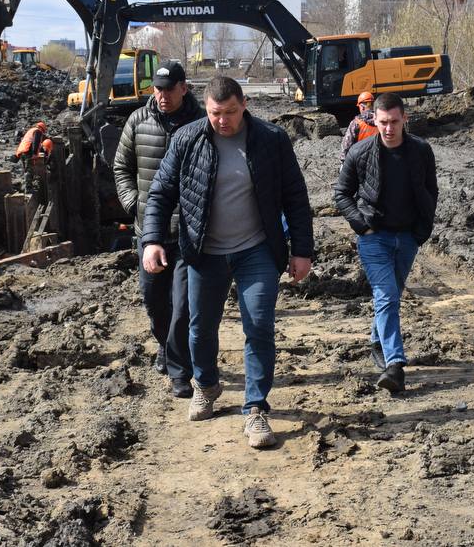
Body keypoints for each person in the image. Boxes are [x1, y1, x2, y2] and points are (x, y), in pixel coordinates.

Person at [141, 75, 313, 449]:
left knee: (259, 326)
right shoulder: (187, 139)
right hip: (205, 251)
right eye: (216, 113)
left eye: (230, 112)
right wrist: (152, 240)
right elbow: (160, 193)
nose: (223, 121)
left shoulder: (271, 139)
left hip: (257, 250)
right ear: (206, 109)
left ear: (244, 105)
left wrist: (302, 250)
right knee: (200, 327)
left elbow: (295, 196)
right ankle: (206, 385)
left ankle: (256, 409)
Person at [333, 92, 438, 394]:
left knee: (390, 297)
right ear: (374, 121)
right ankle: (395, 365)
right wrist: (362, 226)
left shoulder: (421, 151)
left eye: (394, 122)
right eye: (383, 122)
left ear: (405, 118)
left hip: (407, 237)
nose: (389, 128)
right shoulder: (360, 152)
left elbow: (431, 190)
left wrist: (421, 230)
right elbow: (341, 193)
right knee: (387, 296)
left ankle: (378, 342)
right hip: (373, 237)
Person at [112, 62, 205, 399]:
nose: (162, 95)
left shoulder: (200, 123)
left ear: (184, 88)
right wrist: (134, 203)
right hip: (148, 232)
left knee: (182, 305)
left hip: (186, 232)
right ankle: (165, 346)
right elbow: (121, 167)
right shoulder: (138, 121)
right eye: (157, 88)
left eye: (169, 89)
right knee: (154, 302)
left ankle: (180, 372)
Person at [339, 90, 378, 163]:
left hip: (361, 161)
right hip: (379, 160)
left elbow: (347, 144)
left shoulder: (356, 123)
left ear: (362, 107)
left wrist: (343, 160)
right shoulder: (382, 121)